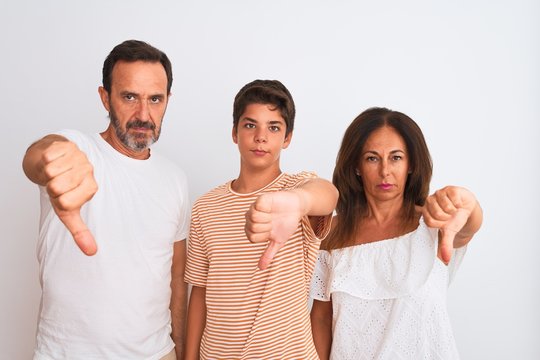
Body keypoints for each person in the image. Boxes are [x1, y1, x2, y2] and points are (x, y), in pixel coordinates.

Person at [22, 40, 190, 360]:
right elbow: (40, 156)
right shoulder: (77, 149)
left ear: (167, 100)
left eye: (155, 99)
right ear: (105, 98)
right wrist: (51, 157)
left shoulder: (175, 179)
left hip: (157, 353)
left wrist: (179, 350)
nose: (144, 114)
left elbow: (177, 277)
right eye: (129, 97)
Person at [310, 107, 483, 360]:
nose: (385, 171)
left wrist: (470, 204)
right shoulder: (331, 233)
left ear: (411, 163)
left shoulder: (436, 223)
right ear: (356, 166)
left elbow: (468, 226)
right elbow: (322, 320)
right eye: (372, 158)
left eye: (396, 157)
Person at [184, 79, 339, 359]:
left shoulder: (298, 188)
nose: (261, 137)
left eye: (274, 127)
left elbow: (328, 194)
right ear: (234, 132)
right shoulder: (204, 208)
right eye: (250, 125)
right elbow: (199, 292)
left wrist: (297, 201)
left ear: (287, 137)